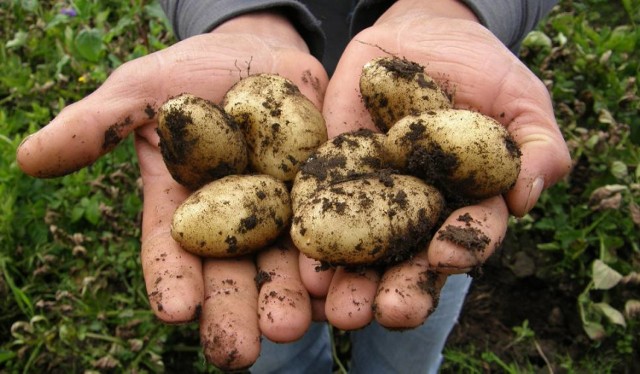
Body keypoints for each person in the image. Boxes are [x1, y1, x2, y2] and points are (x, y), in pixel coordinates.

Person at [16, 0, 572, 372]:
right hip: (274, 75)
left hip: (432, 136)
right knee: (276, 333)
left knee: (414, 319)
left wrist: (452, 6)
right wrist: (240, 15)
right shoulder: (289, 171)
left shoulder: (401, 147)